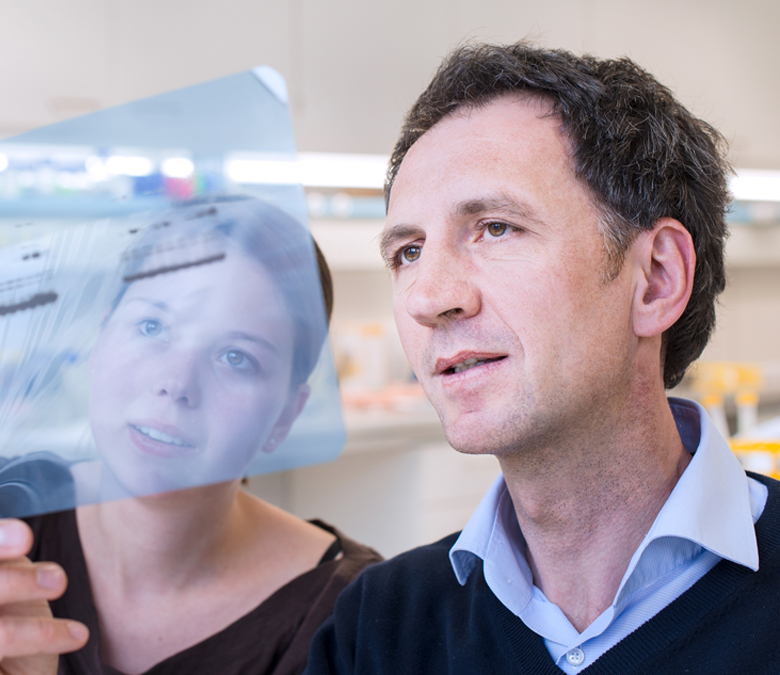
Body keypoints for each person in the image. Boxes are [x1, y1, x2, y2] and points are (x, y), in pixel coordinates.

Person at [305, 43, 780, 674]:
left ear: (657, 279)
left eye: (496, 227)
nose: (427, 298)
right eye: (408, 252)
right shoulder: (379, 628)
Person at [0, 195, 381, 675]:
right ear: (101, 340)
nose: (176, 382)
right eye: (151, 326)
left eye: (236, 357)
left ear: (285, 417)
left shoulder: (357, 620)